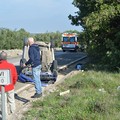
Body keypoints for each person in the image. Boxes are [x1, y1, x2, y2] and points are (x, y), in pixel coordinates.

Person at [0, 51, 18, 115]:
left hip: (0, 88)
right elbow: (15, 76)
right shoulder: (11, 66)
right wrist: (13, 83)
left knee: (3, 102)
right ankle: (13, 114)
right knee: (11, 100)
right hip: (10, 86)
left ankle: (5, 115)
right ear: (6, 58)